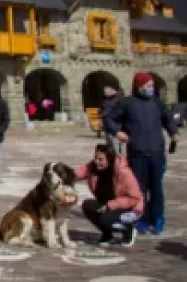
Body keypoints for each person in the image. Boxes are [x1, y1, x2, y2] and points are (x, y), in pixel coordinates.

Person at [104, 71, 178, 236]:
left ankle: (158, 219)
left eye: (152, 85)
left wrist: (173, 132)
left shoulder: (157, 103)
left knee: (157, 189)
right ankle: (142, 218)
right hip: (137, 155)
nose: (151, 88)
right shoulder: (127, 103)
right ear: (138, 86)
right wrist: (117, 132)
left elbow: (168, 119)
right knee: (139, 190)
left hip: (156, 153)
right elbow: (108, 118)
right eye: (147, 85)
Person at [74, 144, 144, 246]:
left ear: (110, 159)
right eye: (95, 158)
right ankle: (108, 235)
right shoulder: (93, 167)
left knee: (105, 219)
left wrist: (110, 205)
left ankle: (128, 230)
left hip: (129, 208)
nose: (97, 161)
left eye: (101, 159)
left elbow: (135, 198)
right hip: (107, 204)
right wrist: (61, 173)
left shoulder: (123, 172)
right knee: (87, 205)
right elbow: (79, 172)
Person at [100, 84, 124, 153]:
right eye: (105, 90)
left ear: (113, 90)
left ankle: (119, 161)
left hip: (115, 128)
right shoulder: (106, 99)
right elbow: (102, 110)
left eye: (107, 89)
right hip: (107, 128)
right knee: (109, 148)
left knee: (116, 148)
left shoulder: (119, 99)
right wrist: (101, 119)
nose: (105, 91)